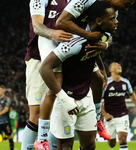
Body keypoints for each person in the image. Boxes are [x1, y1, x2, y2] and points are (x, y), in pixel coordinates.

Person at [39, 1, 118, 149]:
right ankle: (41, 138)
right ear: (99, 21)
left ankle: (97, 115)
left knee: (89, 146)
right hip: (66, 100)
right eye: (112, 19)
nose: (116, 21)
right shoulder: (74, 42)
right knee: (66, 147)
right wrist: (64, 99)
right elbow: (44, 68)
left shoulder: (101, 38)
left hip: (86, 97)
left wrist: (102, 66)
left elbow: (96, 51)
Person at [56, 0, 136, 139]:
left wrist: (104, 46)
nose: (127, 9)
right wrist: (87, 35)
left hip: (82, 47)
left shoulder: (112, 10)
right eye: (127, 4)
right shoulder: (85, 1)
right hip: (60, 41)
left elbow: (107, 37)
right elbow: (61, 22)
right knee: (54, 84)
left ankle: (98, 117)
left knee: (98, 78)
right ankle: (42, 136)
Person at [21, 0, 73, 150]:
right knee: (37, 114)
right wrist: (53, 33)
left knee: (57, 115)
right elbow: (37, 26)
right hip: (38, 60)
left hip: (63, 61)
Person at [101, 62, 136, 150]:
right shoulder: (106, 83)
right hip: (110, 116)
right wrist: (105, 115)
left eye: (119, 65)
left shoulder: (125, 82)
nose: (119, 65)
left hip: (123, 115)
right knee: (112, 144)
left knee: (123, 139)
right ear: (110, 70)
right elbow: (98, 100)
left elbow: (131, 94)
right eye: (115, 65)